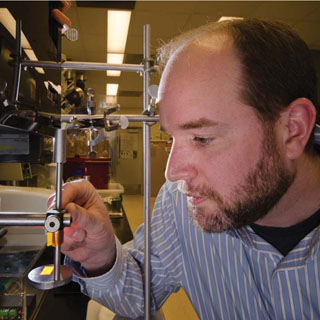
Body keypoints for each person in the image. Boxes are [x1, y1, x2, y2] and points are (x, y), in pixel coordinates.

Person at [50, 18, 320, 319]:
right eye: (171, 137)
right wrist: (102, 257)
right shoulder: (180, 205)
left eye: (202, 138)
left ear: (292, 130)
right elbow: (141, 294)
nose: (172, 173)